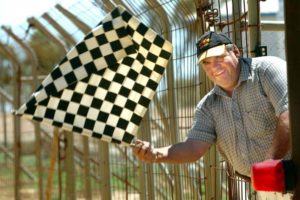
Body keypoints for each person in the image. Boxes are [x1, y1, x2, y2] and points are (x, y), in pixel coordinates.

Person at [132, 31, 293, 200]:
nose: (214, 68)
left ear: (236, 51)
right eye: (206, 62)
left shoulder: (267, 71)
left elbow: (289, 115)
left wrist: (268, 164)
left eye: (219, 58)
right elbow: (193, 148)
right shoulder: (208, 106)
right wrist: (156, 154)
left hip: (294, 175)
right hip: (267, 187)